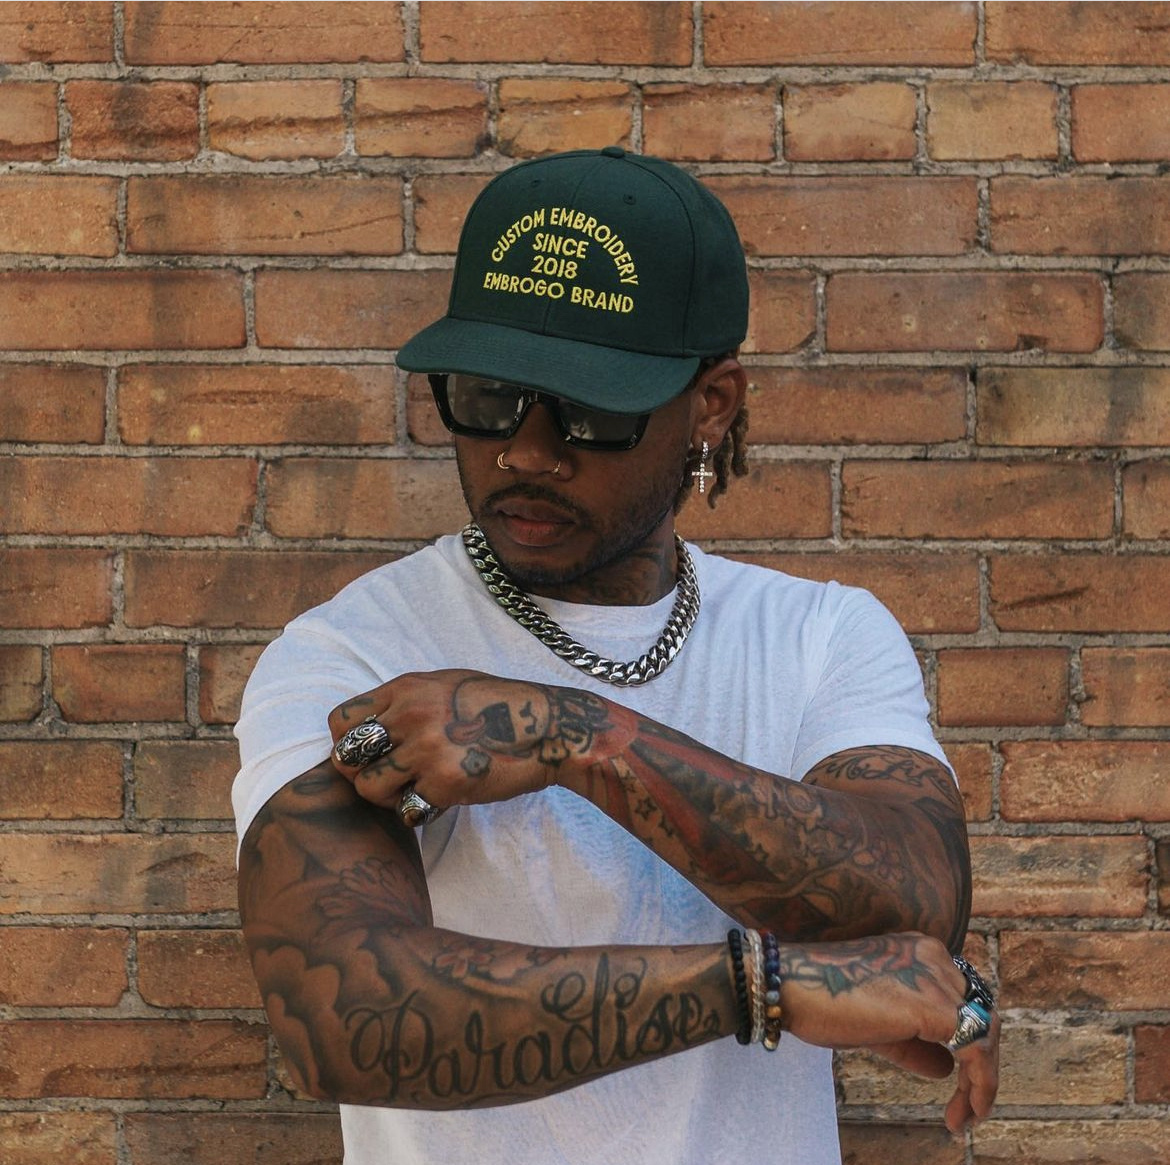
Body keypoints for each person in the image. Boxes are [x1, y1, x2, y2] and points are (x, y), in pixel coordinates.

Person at [233, 147, 999, 1165]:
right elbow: (343, 1016)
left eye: (590, 408)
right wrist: (760, 986)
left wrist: (581, 736)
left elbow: (916, 904)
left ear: (712, 403)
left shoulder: (819, 635)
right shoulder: (354, 652)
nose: (526, 449)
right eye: (487, 395)